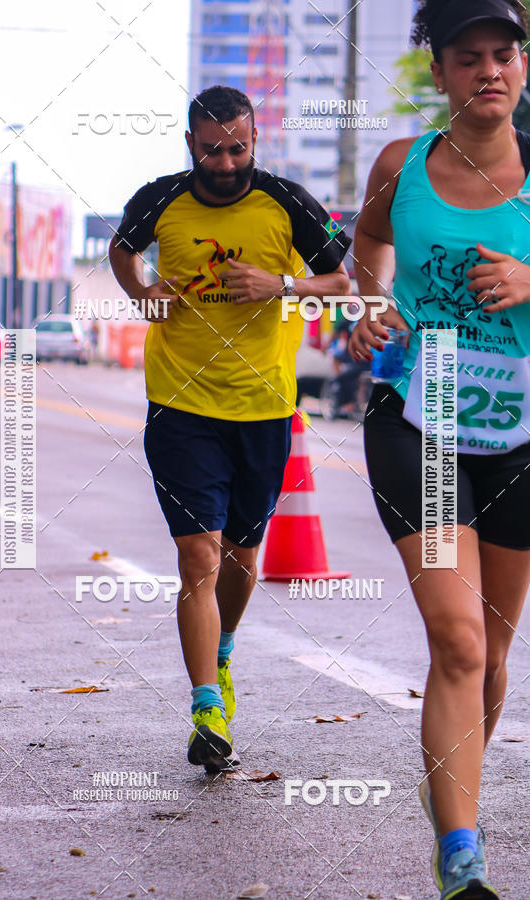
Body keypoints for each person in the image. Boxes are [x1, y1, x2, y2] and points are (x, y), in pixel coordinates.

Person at [109, 86, 351, 773]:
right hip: (181, 408)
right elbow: (123, 247)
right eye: (212, 149)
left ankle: (223, 650)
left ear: (255, 140)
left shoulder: (289, 202)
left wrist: (281, 284)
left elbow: (345, 281)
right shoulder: (161, 198)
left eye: (237, 147)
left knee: (244, 558)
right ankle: (207, 708)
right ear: (191, 144)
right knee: (199, 558)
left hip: (264, 408)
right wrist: (142, 291)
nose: (225, 162)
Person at [348, 2, 530, 897]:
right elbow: (366, 250)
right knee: (457, 640)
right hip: (421, 412)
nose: (490, 71)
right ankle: (462, 859)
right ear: (442, 73)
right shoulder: (402, 165)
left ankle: (455, 787)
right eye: (469, 59)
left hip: (521, 432)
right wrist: (370, 304)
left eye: (505, 55)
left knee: (492, 655)